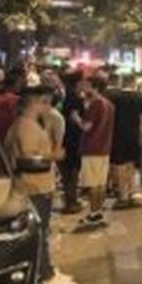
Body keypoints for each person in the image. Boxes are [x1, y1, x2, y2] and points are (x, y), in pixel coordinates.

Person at [4, 86, 76, 284]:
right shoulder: (26, 127)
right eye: (46, 102)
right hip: (34, 187)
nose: (48, 107)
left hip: (37, 186)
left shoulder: (26, 124)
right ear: (35, 103)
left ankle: (47, 270)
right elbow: (28, 159)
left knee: (43, 231)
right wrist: (54, 156)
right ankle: (45, 275)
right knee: (40, 233)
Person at [73, 76, 115, 228]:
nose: (84, 88)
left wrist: (76, 118)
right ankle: (98, 212)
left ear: (95, 87)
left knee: (92, 184)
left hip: (92, 148)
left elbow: (87, 127)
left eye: (87, 85)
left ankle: (93, 213)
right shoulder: (109, 104)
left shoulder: (95, 104)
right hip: (104, 148)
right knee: (101, 183)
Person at [107, 74, 142, 208]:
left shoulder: (115, 98)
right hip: (134, 135)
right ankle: (131, 192)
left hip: (118, 135)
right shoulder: (140, 97)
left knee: (120, 165)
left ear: (122, 82)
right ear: (134, 82)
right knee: (131, 165)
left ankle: (122, 195)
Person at [58, 70, 84, 214]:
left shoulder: (64, 96)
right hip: (73, 139)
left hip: (65, 137)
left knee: (68, 171)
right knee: (72, 171)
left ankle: (70, 200)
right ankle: (71, 202)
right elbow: (75, 118)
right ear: (77, 83)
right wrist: (84, 126)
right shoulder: (75, 99)